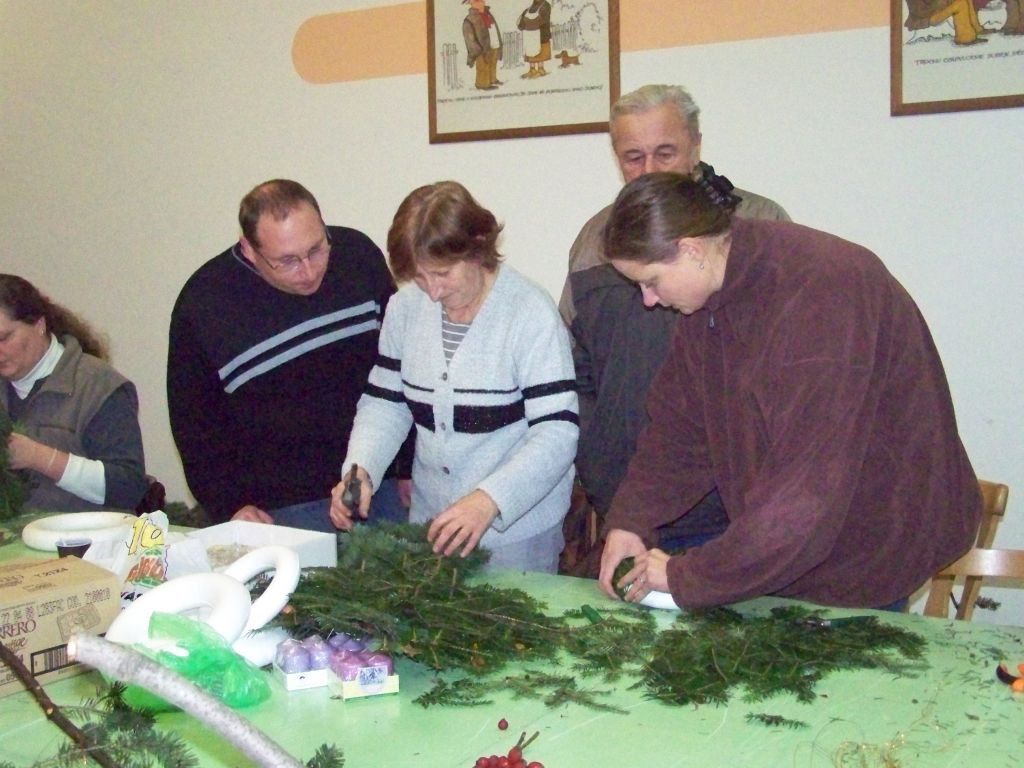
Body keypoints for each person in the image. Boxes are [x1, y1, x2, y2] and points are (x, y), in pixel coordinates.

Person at [596, 171, 981, 610]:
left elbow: (807, 492)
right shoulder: (705, 301)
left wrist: (690, 576)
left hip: (873, 538)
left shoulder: (824, 294)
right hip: (799, 535)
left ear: (691, 249)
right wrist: (630, 522)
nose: (648, 300)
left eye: (651, 281)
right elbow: (680, 430)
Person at [560, 84, 790, 556]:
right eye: (633, 157)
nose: (649, 170)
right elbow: (572, 362)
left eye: (665, 153)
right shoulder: (594, 241)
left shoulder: (760, 224)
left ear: (696, 146)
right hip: (627, 502)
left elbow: (784, 369)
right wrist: (595, 452)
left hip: (733, 509)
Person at [329, 181, 578, 573]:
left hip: (516, 535)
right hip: (432, 524)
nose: (432, 291)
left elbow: (557, 431)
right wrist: (361, 468)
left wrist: (488, 500)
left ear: (477, 247)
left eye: (442, 273)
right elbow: (386, 404)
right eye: (419, 278)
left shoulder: (529, 313)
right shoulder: (405, 309)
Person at [168, 179, 410, 531]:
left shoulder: (358, 258)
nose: (309, 271)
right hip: (281, 507)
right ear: (249, 249)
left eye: (316, 249)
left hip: (377, 481)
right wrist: (230, 505)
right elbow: (194, 424)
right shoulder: (204, 304)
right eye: (287, 261)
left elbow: (401, 366)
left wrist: (409, 466)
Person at [1, 274, 148, 512]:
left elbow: (128, 487)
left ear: (39, 325)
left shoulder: (99, 386)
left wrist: (39, 457)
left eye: (4, 338)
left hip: (89, 532)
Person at [463, 0, 503, 91]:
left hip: (493, 43)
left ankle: (492, 79)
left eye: (482, 0)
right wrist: (477, 50)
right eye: (477, 1)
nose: (481, 2)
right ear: (471, 3)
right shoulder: (469, 19)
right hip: (481, 49)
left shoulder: (488, 14)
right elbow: (470, 38)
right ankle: (482, 84)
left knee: (493, 62)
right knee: (483, 65)